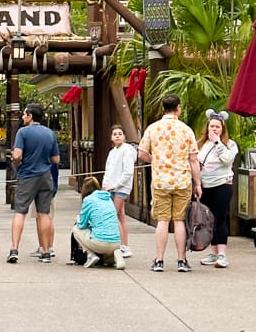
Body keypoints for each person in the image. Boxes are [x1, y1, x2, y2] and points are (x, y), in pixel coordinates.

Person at [138, 93, 202, 273]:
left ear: (163, 108)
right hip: (182, 181)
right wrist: (197, 183)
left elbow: (142, 153)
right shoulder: (186, 130)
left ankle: (159, 260)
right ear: (178, 108)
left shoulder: (153, 128)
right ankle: (182, 260)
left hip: (160, 181)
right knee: (179, 220)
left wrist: (156, 160)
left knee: (163, 221)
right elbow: (194, 160)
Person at [6, 104, 60, 264]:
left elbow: (17, 154)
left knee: (20, 211)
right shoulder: (50, 133)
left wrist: (17, 161)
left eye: (24, 114)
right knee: (44, 213)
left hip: (28, 175)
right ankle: (45, 251)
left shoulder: (23, 132)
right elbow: (56, 159)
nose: (22, 117)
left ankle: (14, 249)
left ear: (30, 116)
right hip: (45, 176)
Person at [197, 109, 238, 269]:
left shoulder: (230, 144)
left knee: (220, 218)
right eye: (212, 126)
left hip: (222, 185)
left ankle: (222, 254)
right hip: (204, 186)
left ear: (222, 129)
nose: (214, 129)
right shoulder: (201, 144)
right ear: (207, 127)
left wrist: (217, 142)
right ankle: (213, 252)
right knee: (208, 220)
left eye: (217, 127)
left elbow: (227, 160)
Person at [73, 177, 125, 270]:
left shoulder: (88, 200)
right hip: (116, 242)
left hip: (100, 244)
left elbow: (82, 225)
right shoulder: (108, 198)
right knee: (107, 261)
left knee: (76, 229)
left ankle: (90, 255)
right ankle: (115, 254)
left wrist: (78, 219)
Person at [102, 124, 137, 258]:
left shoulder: (127, 150)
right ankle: (123, 245)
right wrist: (105, 185)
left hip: (121, 188)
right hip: (111, 187)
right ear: (111, 137)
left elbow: (128, 172)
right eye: (115, 134)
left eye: (120, 134)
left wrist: (115, 185)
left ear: (124, 136)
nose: (117, 136)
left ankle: (119, 245)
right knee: (120, 216)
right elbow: (108, 170)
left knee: (113, 214)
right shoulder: (112, 152)